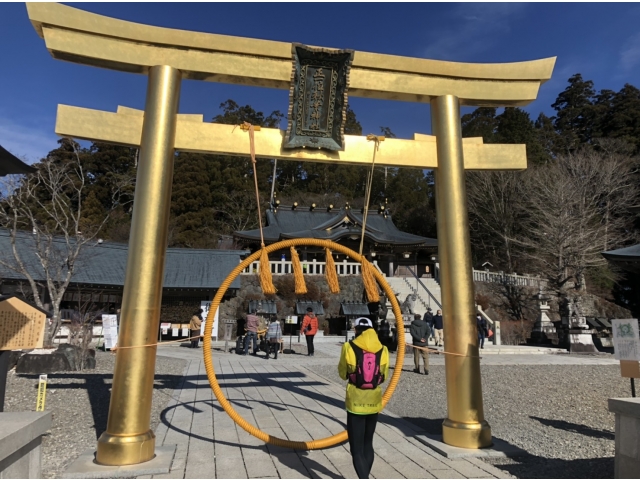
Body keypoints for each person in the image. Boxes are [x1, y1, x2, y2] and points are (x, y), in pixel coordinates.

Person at [338, 317, 389, 479]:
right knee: (368, 443)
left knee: (356, 448)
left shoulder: (349, 347)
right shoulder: (383, 349)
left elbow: (342, 373)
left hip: (355, 400)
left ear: (356, 329)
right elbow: (384, 375)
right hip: (374, 400)